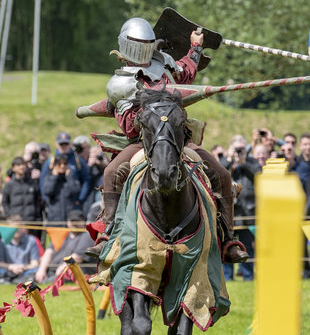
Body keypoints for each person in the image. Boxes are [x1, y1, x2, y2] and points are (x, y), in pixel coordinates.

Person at [86, 17, 247, 263]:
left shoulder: (164, 67)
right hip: (144, 141)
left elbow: (187, 72)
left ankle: (228, 240)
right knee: (111, 172)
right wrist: (157, 108)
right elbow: (130, 126)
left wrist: (196, 47)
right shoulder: (121, 83)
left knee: (221, 174)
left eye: (146, 45)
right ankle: (109, 233)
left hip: (178, 139)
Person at [221, 137, 261, 281]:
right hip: (228, 214)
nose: (238, 152)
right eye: (236, 149)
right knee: (227, 246)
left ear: (246, 149)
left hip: (247, 212)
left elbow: (258, 176)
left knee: (247, 247)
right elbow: (217, 174)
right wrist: (229, 159)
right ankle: (227, 278)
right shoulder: (224, 161)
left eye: (241, 149)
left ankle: (248, 276)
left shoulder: (252, 162)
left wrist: (244, 163)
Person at [34, 210, 98, 283]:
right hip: (52, 270)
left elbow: (77, 257)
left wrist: (63, 267)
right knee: (30, 277)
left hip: (69, 270)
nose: (74, 224)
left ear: (83, 222)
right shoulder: (61, 235)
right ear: (67, 222)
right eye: (72, 221)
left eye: (77, 221)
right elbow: (48, 252)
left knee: (48, 282)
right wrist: (42, 270)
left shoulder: (87, 236)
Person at [39, 131, 91, 213]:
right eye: (61, 144)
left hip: (73, 205)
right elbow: (42, 182)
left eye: (66, 144)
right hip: (55, 206)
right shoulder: (50, 161)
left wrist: (80, 199)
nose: (63, 146)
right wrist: (47, 199)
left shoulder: (77, 160)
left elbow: (86, 180)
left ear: (70, 144)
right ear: (57, 144)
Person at [0, 215, 41, 284]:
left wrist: (24, 267)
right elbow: (1, 263)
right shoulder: (2, 242)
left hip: (26, 270)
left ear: (22, 227)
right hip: (8, 270)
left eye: (18, 227)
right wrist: (11, 267)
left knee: (36, 270)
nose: (16, 230)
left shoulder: (31, 240)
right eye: (13, 228)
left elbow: (35, 263)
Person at [42, 154, 82, 224]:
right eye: (59, 164)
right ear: (55, 165)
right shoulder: (49, 177)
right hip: (55, 218)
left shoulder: (71, 177)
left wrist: (69, 177)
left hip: (69, 217)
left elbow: (76, 191)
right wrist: (54, 177)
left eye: (65, 163)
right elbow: (47, 191)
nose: (62, 166)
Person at [2, 157, 41, 224]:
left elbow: (38, 201)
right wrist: (10, 216)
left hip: (31, 222)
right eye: (18, 165)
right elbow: (5, 203)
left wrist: (36, 217)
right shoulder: (9, 185)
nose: (21, 167)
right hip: (16, 223)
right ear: (13, 168)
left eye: (23, 164)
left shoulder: (32, 183)